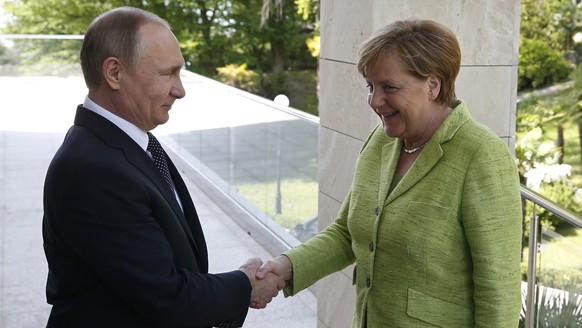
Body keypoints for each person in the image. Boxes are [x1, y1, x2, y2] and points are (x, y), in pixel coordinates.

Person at [256, 19, 523, 327]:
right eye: (371, 86)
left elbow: (498, 293)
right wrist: (283, 267)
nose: (374, 101)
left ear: (433, 85)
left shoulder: (481, 154)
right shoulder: (380, 142)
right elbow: (347, 233)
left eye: (389, 88)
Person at [42, 6, 283, 328]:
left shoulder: (128, 143)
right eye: (167, 73)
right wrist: (244, 284)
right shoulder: (94, 170)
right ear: (114, 73)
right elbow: (166, 298)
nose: (180, 90)